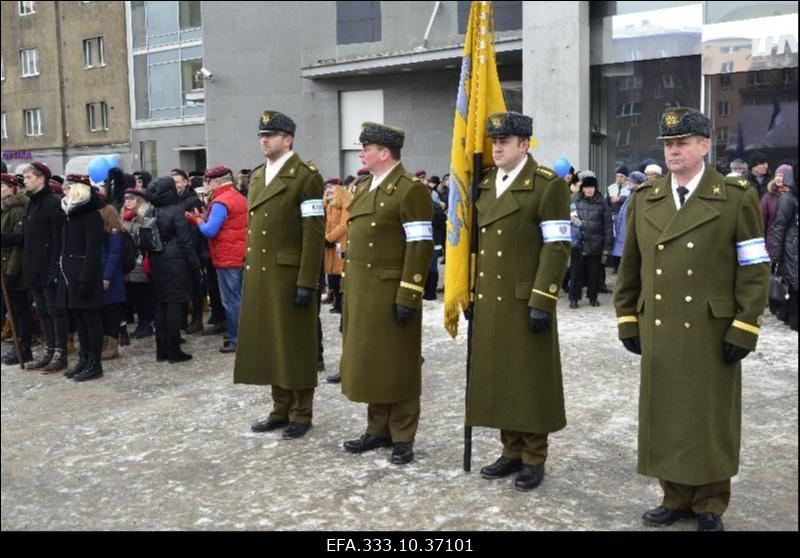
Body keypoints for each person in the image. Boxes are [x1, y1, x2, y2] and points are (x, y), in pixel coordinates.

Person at [614, 107, 770, 532]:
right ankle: (675, 496)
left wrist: (745, 324)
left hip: (710, 328)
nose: (673, 151)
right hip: (660, 325)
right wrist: (627, 317)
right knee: (666, 412)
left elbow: (755, 267)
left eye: (682, 143)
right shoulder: (647, 198)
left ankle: (711, 502)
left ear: (704, 146)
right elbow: (630, 267)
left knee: (708, 415)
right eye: (668, 144)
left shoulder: (736, 197)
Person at [466, 111, 570, 491]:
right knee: (500, 376)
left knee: (530, 379)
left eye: (504, 142)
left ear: (524, 145)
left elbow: (557, 246)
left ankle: (534, 456)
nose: (496, 148)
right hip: (492, 298)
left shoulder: (546, 185)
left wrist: (543, 297)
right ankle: (510, 450)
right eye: (494, 142)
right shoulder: (487, 183)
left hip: (526, 298)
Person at [339, 122, 433, 465]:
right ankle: (377, 429)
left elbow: (420, 245)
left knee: (400, 365)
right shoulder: (365, 186)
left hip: (392, 291)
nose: (361, 153)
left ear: (385, 152)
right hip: (364, 292)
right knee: (373, 363)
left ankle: (403, 436)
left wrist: (409, 293)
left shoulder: (410, 190)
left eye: (366, 148)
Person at [235, 110, 325, 440]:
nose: (264, 139)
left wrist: (307, 281)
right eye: (261, 135)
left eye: (270, 135)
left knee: (295, 344)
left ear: (288, 139)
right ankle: (280, 408)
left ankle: (301, 412)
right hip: (261, 272)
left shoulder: (306, 176)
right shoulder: (258, 176)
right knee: (272, 343)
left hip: (289, 274)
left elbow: (313, 232)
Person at [185, 166, 247, 353]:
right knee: (240, 298)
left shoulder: (220, 201)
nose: (205, 185)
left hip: (226, 257)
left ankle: (236, 340)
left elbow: (210, 231)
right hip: (240, 254)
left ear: (215, 181)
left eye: (206, 181)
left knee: (231, 300)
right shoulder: (239, 197)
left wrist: (197, 221)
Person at [145, 176, 202, 363]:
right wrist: (196, 266)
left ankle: (161, 350)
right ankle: (174, 350)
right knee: (175, 306)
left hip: (156, 260)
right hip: (175, 262)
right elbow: (186, 243)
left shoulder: (151, 210)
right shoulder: (176, 211)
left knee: (160, 305)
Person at [21, 162, 68, 372]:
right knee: (41, 310)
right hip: (33, 266)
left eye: (29, 177)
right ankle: (49, 349)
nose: (25, 181)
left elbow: (58, 239)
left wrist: (55, 267)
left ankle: (60, 352)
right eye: (24, 177)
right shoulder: (30, 203)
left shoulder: (52, 203)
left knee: (55, 311)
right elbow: (27, 238)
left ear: (41, 178)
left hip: (49, 266)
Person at [58, 175, 106, 381]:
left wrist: (86, 279)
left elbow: (93, 252)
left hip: (85, 277)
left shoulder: (91, 216)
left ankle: (95, 363)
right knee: (79, 320)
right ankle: (84, 358)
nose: (64, 192)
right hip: (71, 275)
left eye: (68, 188)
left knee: (91, 320)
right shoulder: (70, 215)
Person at [0, 174, 33, 365]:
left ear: (12, 188)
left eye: (2, 186)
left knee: (20, 310)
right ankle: (18, 345)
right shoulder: (4, 208)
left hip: (14, 267)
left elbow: (18, 245)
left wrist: (11, 273)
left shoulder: (17, 210)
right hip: (4, 265)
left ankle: (24, 347)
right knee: (12, 309)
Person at [568, 175, 612, 307]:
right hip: (579, 244)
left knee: (594, 273)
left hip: (596, 243)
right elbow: (568, 216)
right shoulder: (576, 200)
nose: (589, 190)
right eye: (586, 187)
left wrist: (607, 246)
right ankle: (574, 298)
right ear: (582, 188)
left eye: (591, 187)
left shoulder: (602, 202)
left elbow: (608, 225)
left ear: (595, 188)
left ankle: (593, 297)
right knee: (576, 273)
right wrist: (572, 221)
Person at [171, 168, 206, 335]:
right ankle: (182, 319)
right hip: (177, 250)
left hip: (192, 250)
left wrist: (191, 250)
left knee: (195, 287)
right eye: (173, 182)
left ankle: (197, 319)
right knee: (181, 287)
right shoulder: (172, 200)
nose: (176, 185)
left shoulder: (192, 201)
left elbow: (197, 228)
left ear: (186, 182)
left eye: (178, 181)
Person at [769, 165, 798, 331]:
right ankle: (791, 318)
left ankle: (787, 315)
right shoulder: (788, 199)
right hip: (791, 249)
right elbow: (779, 227)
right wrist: (776, 256)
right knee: (793, 286)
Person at [322, 178, 350, 314]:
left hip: (339, 243)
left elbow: (345, 224)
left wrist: (330, 237)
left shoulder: (344, 202)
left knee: (340, 274)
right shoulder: (328, 204)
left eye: (331, 188)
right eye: (327, 188)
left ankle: (340, 304)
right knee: (332, 275)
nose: (329, 190)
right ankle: (336, 302)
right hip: (329, 244)